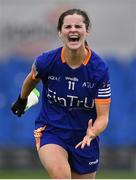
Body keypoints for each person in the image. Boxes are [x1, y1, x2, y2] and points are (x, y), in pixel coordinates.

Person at [11, 8, 111, 179]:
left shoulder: (99, 69)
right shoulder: (47, 61)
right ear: (60, 32)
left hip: (84, 138)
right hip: (51, 130)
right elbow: (31, 79)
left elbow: (103, 117)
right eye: (67, 26)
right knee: (62, 177)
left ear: (87, 31)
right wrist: (22, 99)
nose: (73, 30)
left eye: (78, 26)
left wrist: (92, 133)